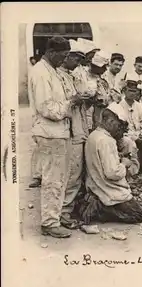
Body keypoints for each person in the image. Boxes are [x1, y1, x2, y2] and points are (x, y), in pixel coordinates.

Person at [28, 36, 81, 238]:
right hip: (50, 133)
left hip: (58, 132)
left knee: (59, 178)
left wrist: (69, 101)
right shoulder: (41, 74)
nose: (65, 59)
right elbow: (47, 107)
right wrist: (71, 103)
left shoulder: (52, 71)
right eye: (63, 55)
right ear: (51, 53)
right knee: (53, 179)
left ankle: (54, 218)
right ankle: (49, 223)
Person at [79, 104, 142, 232]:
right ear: (110, 121)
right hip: (108, 190)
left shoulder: (94, 135)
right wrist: (124, 164)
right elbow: (112, 173)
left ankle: (96, 203)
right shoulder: (106, 141)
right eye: (119, 126)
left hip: (96, 186)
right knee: (137, 215)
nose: (119, 130)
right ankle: (99, 208)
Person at [57, 39, 91, 229]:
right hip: (69, 131)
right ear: (67, 57)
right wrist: (75, 99)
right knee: (72, 172)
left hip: (79, 126)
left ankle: (70, 207)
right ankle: (64, 212)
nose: (78, 64)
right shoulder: (58, 76)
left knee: (77, 171)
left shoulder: (71, 75)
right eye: (76, 59)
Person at [117, 80, 142, 174]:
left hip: (139, 133)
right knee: (130, 143)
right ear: (124, 91)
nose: (132, 94)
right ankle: (132, 172)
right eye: (130, 91)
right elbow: (120, 128)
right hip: (125, 135)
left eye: (134, 91)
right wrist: (135, 137)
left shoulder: (139, 106)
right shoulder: (119, 105)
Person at [74, 50, 112, 131]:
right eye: (103, 67)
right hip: (84, 114)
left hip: (99, 115)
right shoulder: (81, 74)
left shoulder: (104, 78)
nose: (105, 69)